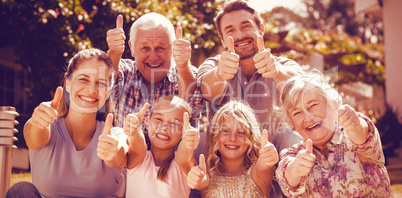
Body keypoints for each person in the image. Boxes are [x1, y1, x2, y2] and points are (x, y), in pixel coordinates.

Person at [192, 1, 303, 196]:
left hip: (278, 170)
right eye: (230, 30)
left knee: (289, 135)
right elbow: (205, 89)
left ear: (261, 29)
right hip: (225, 172)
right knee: (197, 139)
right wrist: (219, 75)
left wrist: (277, 73)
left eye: (245, 26)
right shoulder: (213, 65)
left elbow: (303, 90)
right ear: (223, 39)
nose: (240, 35)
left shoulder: (284, 65)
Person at [6, 49, 123, 197]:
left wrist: (115, 153)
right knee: (20, 191)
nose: (91, 89)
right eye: (84, 79)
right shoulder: (46, 126)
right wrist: (37, 124)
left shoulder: (115, 136)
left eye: (100, 83)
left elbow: (122, 151)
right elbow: (34, 137)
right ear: (68, 83)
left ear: (107, 93)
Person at [276, 71, 392, 197]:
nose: (308, 117)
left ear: (332, 104)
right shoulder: (293, 154)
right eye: (296, 113)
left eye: (313, 105)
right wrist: (295, 169)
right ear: (291, 122)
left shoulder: (351, 135)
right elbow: (287, 177)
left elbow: (362, 135)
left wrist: (355, 126)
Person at [106, 12, 198, 128]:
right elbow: (105, 77)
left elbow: (194, 102)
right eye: (145, 48)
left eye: (160, 48)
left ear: (172, 48)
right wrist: (114, 53)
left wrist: (184, 67)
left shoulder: (186, 73)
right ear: (132, 48)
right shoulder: (125, 71)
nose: (153, 57)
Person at [106, 95, 198, 197]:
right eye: (159, 119)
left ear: (183, 131)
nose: (164, 127)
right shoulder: (138, 159)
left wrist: (187, 142)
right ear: (148, 123)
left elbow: (184, 155)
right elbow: (138, 145)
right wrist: (134, 131)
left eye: (174, 123)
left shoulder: (183, 165)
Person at [186, 100, 279, 197]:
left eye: (241, 132)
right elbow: (200, 179)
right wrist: (197, 179)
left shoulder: (257, 174)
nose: (232, 138)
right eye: (225, 131)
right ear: (214, 135)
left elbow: (264, 166)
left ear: (251, 137)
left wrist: (268, 156)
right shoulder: (207, 175)